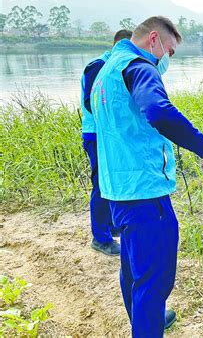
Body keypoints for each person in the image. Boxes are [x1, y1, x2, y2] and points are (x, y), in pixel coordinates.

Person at [91, 16, 203, 337]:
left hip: (118, 191)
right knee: (154, 278)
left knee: (133, 268)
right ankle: (148, 324)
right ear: (154, 40)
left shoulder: (105, 70)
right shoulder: (139, 67)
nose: (168, 59)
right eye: (171, 51)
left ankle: (145, 321)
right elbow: (159, 110)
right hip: (144, 193)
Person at [81, 29, 132, 256]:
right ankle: (100, 238)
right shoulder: (98, 66)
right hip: (96, 134)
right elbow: (92, 102)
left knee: (111, 179)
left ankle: (111, 226)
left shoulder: (116, 66)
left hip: (110, 134)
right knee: (101, 183)